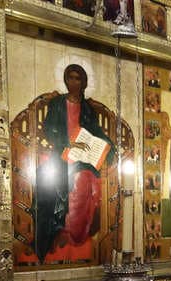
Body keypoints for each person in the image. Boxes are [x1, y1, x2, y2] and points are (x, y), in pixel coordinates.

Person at [35, 64, 114, 263]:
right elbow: (48, 129)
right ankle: (58, 240)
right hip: (62, 154)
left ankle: (78, 238)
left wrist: (107, 146)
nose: (74, 82)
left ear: (84, 82)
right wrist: (68, 142)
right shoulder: (57, 103)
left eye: (78, 78)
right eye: (70, 77)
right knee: (61, 183)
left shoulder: (87, 107)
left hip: (82, 157)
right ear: (65, 80)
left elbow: (95, 131)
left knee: (86, 179)